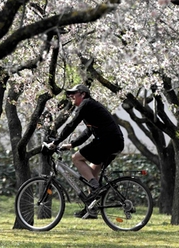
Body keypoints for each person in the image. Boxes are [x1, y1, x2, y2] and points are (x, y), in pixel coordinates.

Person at [46, 84, 124, 219]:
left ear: (82, 94)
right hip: (114, 142)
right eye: (69, 95)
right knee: (92, 174)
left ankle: (96, 189)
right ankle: (91, 209)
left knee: (76, 158)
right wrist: (72, 144)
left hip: (107, 141)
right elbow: (88, 131)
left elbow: (72, 125)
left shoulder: (86, 104)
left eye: (73, 94)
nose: (71, 97)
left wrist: (56, 142)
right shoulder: (90, 107)